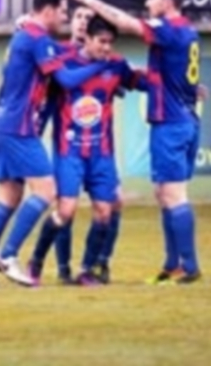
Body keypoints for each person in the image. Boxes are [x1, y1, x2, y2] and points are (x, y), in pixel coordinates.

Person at [63, 0, 203, 284]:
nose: (148, 3)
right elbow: (174, 74)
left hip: (172, 124)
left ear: (167, 2)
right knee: (164, 193)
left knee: (174, 194)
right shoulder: (188, 31)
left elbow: (125, 23)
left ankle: (189, 267)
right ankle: (172, 264)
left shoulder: (169, 29)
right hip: (186, 120)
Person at [0, 0, 108, 288]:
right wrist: (100, 64)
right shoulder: (36, 38)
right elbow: (66, 78)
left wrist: (78, 49)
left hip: (1, 123)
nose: (66, 18)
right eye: (64, 12)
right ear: (48, 10)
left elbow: (55, 57)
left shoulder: (26, 35)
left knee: (9, 197)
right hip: (19, 127)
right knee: (46, 191)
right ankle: (8, 255)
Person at [32, 16, 147, 287]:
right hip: (68, 150)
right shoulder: (65, 63)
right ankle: (36, 262)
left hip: (101, 153)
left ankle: (87, 269)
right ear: (88, 39)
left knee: (105, 211)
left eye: (110, 42)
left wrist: (184, 88)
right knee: (66, 210)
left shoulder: (116, 65)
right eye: (101, 41)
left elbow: (140, 83)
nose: (106, 47)